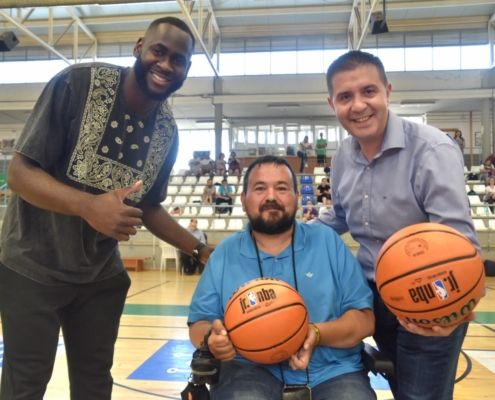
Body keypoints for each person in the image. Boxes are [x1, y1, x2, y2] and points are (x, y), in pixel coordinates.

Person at [0, 17, 215, 400]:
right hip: (32, 265)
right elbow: (19, 173)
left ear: (187, 70)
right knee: (25, 383)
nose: (166, 65)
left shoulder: (167, 132)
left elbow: (148, 206)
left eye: (178, 60)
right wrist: (87, 205)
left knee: (95, 383)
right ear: (139, 48)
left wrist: (199, 250)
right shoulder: (76, 84)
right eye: (158, 51)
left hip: (99, 276)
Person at [314, 50, 480, 400]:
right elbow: (340, 216)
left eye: (369, 91)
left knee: (421, 396)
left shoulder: (432, 150)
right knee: (398, 385)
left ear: (387, 91)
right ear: (333, 104)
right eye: (346, 97)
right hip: (373, 297)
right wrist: (294, 233)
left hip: (427, 295)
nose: (358, 105)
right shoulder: (343, 156)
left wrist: (452, 307)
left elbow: (460, 242)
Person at [188, 155, 376, 400]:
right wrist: (212, 339)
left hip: (333, 371)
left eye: (281, 188)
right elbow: (199, 324)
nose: (271, 197)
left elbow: (364, 319)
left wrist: (314, 333)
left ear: (297, 199)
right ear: (243, 201)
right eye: (259, 188)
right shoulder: (224, 252)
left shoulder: (328, 242)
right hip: (248, 369)